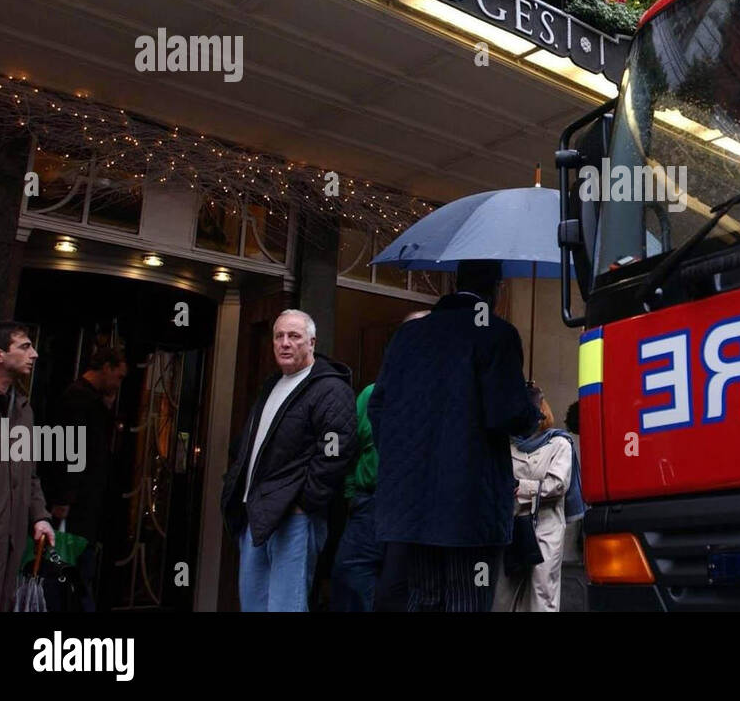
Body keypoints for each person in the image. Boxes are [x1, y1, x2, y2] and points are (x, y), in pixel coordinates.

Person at [371, 260, 538, 612]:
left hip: (412, 506)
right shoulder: (495, 333)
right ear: (497, 289)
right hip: (470, 506)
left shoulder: (408, 335)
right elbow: (506, 414)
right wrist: (530, 406)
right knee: (467, 599)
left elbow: (379, 408)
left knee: (423, 598)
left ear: (452, 281)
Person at [220, 309, 356, 612]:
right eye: (279, 336)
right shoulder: (271, 385)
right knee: (254, 605)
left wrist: (303, 503)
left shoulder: (331, 388)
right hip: (255, 513)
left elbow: (336, 451)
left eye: (294, 336)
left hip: (294, 518)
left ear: (311, 342)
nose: (285, 343)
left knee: (286, 606)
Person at [330, 307, 429, 612]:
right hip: (369, 504)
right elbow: (349, 447)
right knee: (348, 573)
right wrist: (352, 494)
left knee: (403, 586)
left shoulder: (440, 396)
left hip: (417, 509)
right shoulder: (372, 393)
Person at [42, 345, 128, 611]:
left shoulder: (90, 400)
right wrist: (64, 497)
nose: (118, 384)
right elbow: (70, 449)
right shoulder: (78, 400)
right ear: (106, 368)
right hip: (74, 507)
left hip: (83, 506)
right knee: (66, 575)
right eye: (118, 376)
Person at [0, 322, 55, 612]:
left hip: (10, 539)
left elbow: (31, 474)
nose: (34, 354)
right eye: (24, 347)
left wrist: (39, 515)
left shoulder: (23, 409)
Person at [494, 393, 583, 612]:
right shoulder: (507, 444)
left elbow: (558, 484)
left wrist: (520, 486)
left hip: (545, 527)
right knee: (504, 595)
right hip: (511, 527)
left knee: (541, 593)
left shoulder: (559, 443)